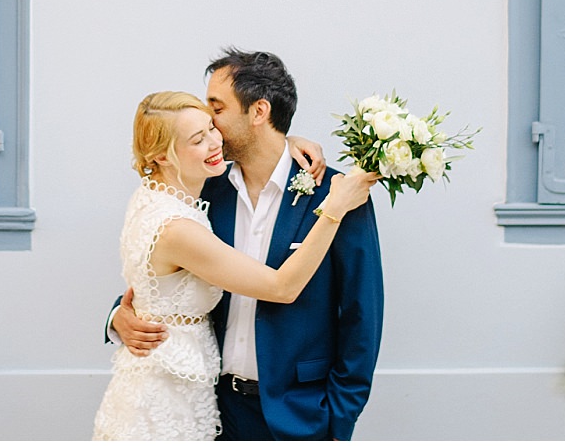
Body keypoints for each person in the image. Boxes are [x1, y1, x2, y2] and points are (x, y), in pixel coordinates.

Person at [112, 49, 386, 440]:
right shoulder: (205, 190)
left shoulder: (338, 194)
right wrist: (118, 317)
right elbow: (162, 274)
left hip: (301, 413)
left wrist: (337, 418)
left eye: (216, 109)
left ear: (258, 111)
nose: (208, 123)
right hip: (214, 409)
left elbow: (362, 312)